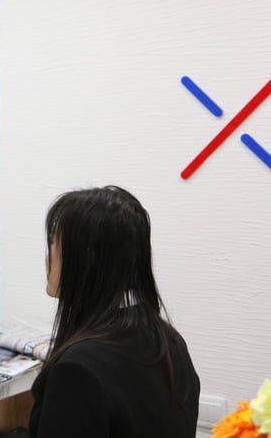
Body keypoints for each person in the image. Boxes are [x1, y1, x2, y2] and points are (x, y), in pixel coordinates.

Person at [29, 185, 200, 438]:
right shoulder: (170, 341)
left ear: (88, 257)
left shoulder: (77, 369)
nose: (46, 256)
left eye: (54, 241)